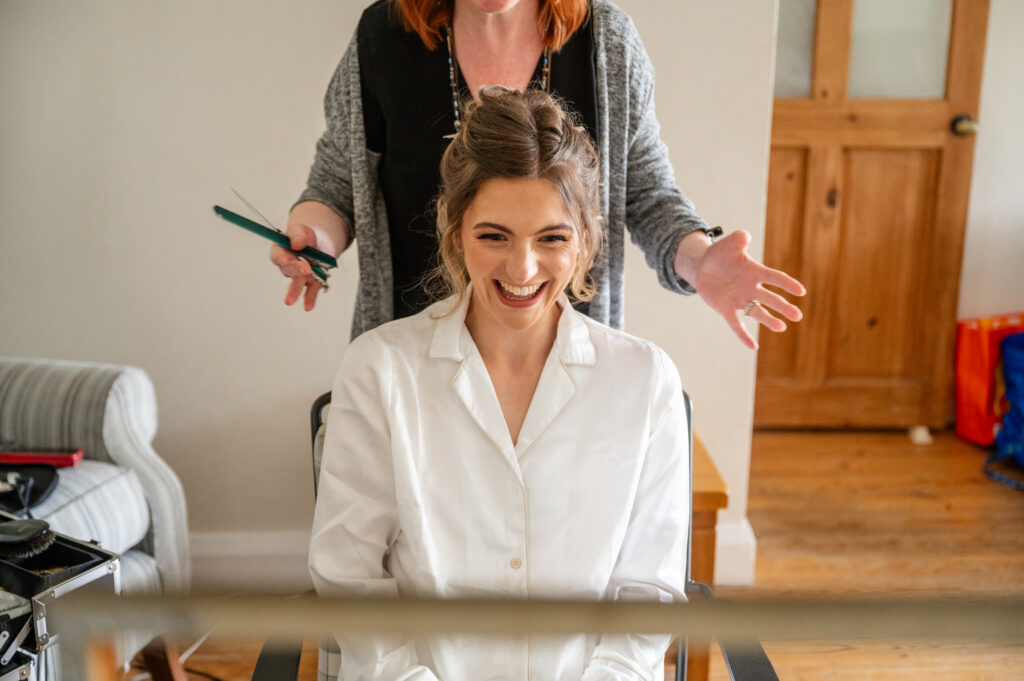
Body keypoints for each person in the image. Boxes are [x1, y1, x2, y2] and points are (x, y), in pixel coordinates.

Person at [309, 88, 689, 681]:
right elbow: (349, 577)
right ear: (456, 232)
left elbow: (648, 593)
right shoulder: (379, 370)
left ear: (585, 239)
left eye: (552, 238)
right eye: (494, 236)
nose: (522, 269)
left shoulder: (645, 381)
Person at [273, 0, 805, 349]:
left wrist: (700, 259)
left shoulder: (607, 43)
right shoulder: (382, 36)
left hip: (566, 361)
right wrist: (313, 237)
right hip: (415, 350)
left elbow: (645, 192)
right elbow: (338, 183)